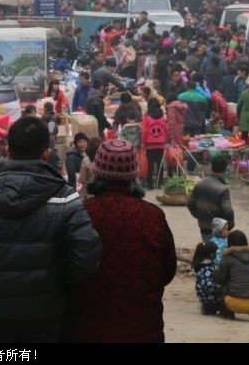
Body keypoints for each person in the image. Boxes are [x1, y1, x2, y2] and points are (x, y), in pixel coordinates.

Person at [0, 117, 101, 343]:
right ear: (46, 155)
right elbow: (86, 253)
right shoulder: (64, 197)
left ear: (8, 151)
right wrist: (58, 282)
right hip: (44, 316)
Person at [70, 139, 177, 343]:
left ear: (98, 171)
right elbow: (167, 270)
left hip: (89, 328)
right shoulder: (152, 215)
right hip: (143, 328)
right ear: (134, 174)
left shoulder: (82, 214)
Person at [214, 230, 249, 322]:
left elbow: (218, 279)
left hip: (233, 303)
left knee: (222, 286)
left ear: (229, 243)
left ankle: (228, 312)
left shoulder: (228, 257)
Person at [187, 155, 235, 241]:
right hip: (219, 228)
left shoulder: (199, 184)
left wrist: (199, 215)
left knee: (207, 250)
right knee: (218, 251)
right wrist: (230, 225)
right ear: (225, 169)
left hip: (203, 226)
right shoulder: (223, 188)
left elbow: (190, 203)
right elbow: (228, 211)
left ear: (211, 167)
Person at [141, 98, 168, 190]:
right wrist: (165, 139)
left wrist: (143, 142)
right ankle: (159, 183)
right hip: (160, 143)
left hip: (149, 145)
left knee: (150, 165)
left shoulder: (147, 117)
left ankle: (150, 185)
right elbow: (165, 128)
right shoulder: (162, 116)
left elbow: (144, 131)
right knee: (160, 164)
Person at [192, 241, 224, 316]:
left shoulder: (199, 265)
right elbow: (209, 286)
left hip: (202, 296)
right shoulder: (209, 268)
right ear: (212, 254)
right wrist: (220, 287)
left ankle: (208, 307)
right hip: (210, 296)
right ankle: (210, 306)